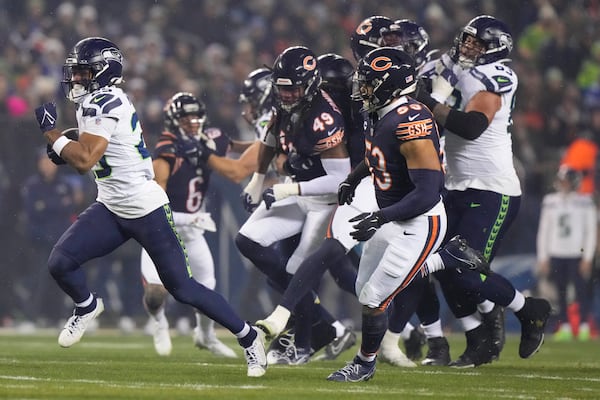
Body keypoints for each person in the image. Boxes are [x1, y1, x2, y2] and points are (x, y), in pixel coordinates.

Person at [33, 37, 266, 377]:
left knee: (183, 288)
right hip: (111, 205)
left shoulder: (104, 101)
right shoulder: (95, 101)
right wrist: (65, 140)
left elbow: (85, 160)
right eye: (77, 72)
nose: (77, 79)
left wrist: (52, 134)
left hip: (145, 208)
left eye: (84, 72)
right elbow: (91, 151)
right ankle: (87, 305)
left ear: (102, 72)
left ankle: (249, 337)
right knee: (60, 262)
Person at [256, 16, 425, 367]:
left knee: (369, 270)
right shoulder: (351, 101)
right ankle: (389, 333)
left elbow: (375, 152)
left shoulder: (396, 109)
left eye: (368, 82)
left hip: (382, 189)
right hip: (355, 180)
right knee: (340, 266)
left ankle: (397, 332)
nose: (361, 87)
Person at [326, 46, 489, 382]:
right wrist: (353, 179)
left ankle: (363, 364)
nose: (363, 89)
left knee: (375, 297)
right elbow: (376, 155)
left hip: (419, 220)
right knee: (364, 289)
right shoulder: (381, 112)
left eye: (369, 83)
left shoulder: (410, 122)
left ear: (391, 84)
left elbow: (428, 193)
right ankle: (448, 257)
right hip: (391, 214)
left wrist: (381, 217)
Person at [414, 15, 552, 367]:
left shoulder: (498, 75)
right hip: (457, 185)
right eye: (467, 40)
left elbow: (472, 126)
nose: (468, 47)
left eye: (477, 43)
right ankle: (477, 338)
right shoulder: (454, 68)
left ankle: (527, 309)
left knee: (463, 267)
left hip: (492, 190)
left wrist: (428, 102)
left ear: (496, 49)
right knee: (444, 267)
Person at [236, 45, 352, 365]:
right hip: (298, 191)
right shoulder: (283, 97)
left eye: (292, 88)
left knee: (297, 269)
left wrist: (290, 190)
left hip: (325, 200)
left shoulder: (324, 115)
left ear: (311, 84)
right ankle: (317, 321)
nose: (286, 94)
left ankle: (302, 342)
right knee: (247, 240)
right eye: (282, 87)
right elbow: (271, 136)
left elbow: (339, 178)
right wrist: (258, 178)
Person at [141, 91, 258, 358]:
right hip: (163, 229)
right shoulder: (167, 148)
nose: (192, 122)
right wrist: (186, 218)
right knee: (156, 293)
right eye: (186, 118)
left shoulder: (210, 139)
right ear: (173, 120)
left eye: (195, 116)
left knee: (207, 286)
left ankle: (205, 335)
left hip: (193, 231)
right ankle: (159, 324)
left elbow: (239, 149)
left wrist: (265, 144)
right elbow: (158, 194)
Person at [536, 166, 597, 341]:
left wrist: (587, 257)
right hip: (556, 252)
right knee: (560, 292)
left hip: (577, 253)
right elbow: (544, 230)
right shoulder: (550, 201)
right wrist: (543, 257)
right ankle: (564, 325)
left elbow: (590, 231)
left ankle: (585, 324)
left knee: (581, 291)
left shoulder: (585, 201)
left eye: (565, 180)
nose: (562, 184)